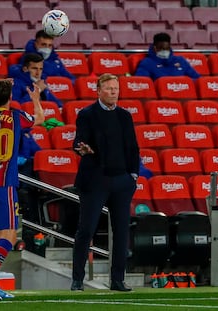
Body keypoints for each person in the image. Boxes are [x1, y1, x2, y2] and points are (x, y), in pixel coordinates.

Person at [0, 79, 44, 300]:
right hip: (4, 182)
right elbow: (40, 119)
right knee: (10, 235)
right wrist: (35, 98)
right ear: (10, 98)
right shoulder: (14, 116)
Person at [71, 73, 140, 292]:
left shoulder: (124, 116)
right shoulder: (87, 114)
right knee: (86, 229)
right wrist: (83, 149)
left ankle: (118, 279)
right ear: (98, 90)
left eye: (116, 89)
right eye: (109, 88)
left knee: (121, 231)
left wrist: (133, 176)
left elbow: (132, 147)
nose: (113, 92)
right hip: (95, 179)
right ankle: (77, 279)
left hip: (121, 179)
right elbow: (79, 140)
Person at [134, 32, 201, 81]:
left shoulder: (180, 61)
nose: (164, 51)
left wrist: (185, 82)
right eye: (162, 48)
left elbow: (197, 79)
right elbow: (143, 82)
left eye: (167, 48)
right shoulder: (146, 63)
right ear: (155, 48)